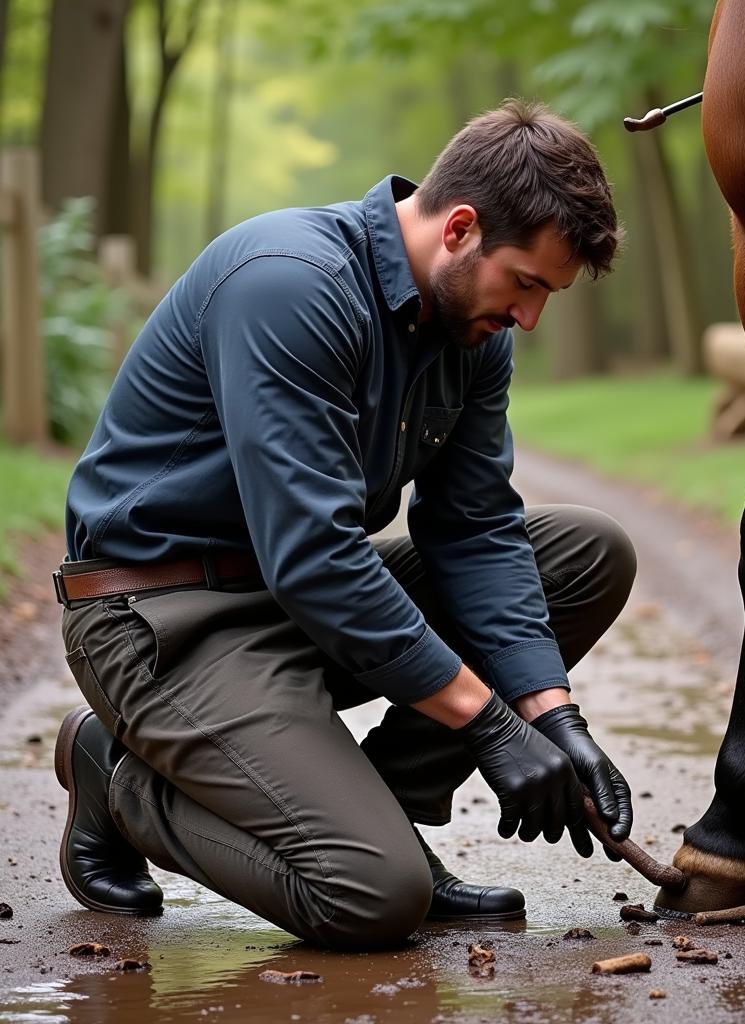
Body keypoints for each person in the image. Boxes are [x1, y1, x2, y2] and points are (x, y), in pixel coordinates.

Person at [52, 98, 637, 948]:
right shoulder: (290, 282)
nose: (530, 317)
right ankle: (118, 777)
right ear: (461, 228)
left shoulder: (473, 336)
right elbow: (318, 557)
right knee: (370, 897)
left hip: (292, 604)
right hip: (162, 620)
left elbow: (474, 528)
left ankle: (377, 816)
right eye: (527, 283)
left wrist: (553, 718)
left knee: (589, 553)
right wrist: (490, 724)